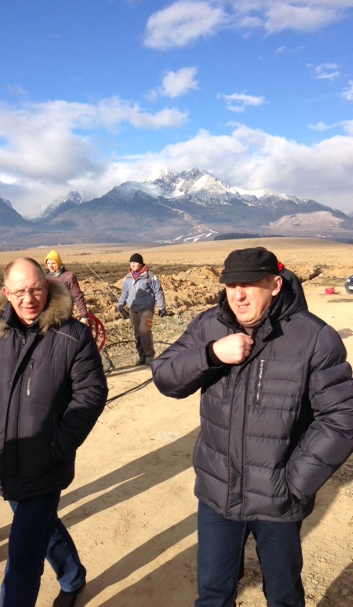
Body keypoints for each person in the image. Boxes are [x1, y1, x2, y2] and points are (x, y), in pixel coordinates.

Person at [151, 246, 353, 607]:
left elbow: (341, 417)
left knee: (283, 595)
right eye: (231, 285)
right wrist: (210, 354)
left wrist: (294, 483)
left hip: (278, 500)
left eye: (248, 284)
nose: (238, 295)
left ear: (275, 285)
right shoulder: (208, 325)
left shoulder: (314, 337)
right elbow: (165, 377)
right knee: (213, 595)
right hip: (218, 494)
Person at [0, 257, 108, 607]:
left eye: (36, 289)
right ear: (6, 293)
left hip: (46, 463)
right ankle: (73, 576)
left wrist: (58, 444)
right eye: (20, 291)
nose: (29, 298)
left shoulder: (72, 335)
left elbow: (91, 392)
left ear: (48, 287)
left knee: (23, 554)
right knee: (40, 526)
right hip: (1, 456)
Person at [117, 253, 166, 365]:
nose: (132, 264)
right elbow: (124, 292)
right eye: (131, 262)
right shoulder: (127, 278)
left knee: (144, 330)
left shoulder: (150, 276)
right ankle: (141, 356)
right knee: (137, 333)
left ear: (141, 263)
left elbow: (158, 291)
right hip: (133, 310)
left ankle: (149, 356)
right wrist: (120, 304)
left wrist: (161, 307)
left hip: (146, 310)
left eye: (135, 262)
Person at [44, 250, 89, 324]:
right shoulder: (45, 276)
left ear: (58, 263)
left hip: (63, 315)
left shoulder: (68, 277)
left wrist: (84, 315)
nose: (50, 266)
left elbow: (77, 296)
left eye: (53, 263)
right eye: (48, 263)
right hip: (46, 315)